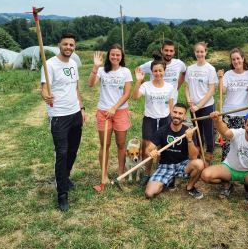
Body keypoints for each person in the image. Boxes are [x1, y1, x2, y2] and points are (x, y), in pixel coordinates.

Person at [41, 33, 85, 212]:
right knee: (62, 152)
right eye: (65, 44)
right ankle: (62, 194)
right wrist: (46, 96)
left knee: (73, 150)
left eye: (72, 45)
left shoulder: (74, 63)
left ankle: (64, 178)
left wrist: (82, 109)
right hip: (59, 116)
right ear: (59, 44)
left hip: (75, 113)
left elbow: (76, 88)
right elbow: (43, 89)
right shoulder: (49, 64)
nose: (68, 47)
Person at [201, 111, 248, 209]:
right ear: (244, 124)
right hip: (230, 168)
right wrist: (217, 121)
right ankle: (228, 182)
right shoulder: (238, 133)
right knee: (205, 175)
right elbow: (225, 131)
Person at [88, 44, 132, 183]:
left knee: (121, 144)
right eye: (112, 54)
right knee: (104, 145)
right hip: (103, 112)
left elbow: (127, 94)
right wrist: (95, 67)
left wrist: (114, 108)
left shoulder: (125, 71)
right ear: (109, 56)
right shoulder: (101, 70)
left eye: (118, 55)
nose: (115, 57)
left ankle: (120, 173)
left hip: (120, 111)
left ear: (121, 57)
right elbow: (90, 84)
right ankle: (104, 175)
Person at [145, 103, 205, 199]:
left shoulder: (188, 131)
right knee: (149, 193)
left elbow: (193, 157)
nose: (177, 115)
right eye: (175, 112)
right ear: (171, 113)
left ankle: (190, 187)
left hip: (183, 164)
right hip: (165, 165)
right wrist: (150, 152)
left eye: (180, 113)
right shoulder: (162, 130)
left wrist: (189, 139)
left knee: (199, 164)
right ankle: (168, 181)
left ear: (184, 117)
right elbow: (148, 149)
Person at [133, 58, 175, 185]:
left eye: (160, 70)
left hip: (165, 119)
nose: (158, 73)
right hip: (149, 120)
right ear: (152, 72)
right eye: (155, 71)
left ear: (164, 71)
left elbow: (171, 106)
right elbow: (135, 97)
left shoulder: (169, 87)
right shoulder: (146, 85)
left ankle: (160, 173)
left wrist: (173, 120)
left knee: (163, 148)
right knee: (147, 148)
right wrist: (139, 81)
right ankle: (147, 174)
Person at [218, 48, 248, 197]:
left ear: (243, 58)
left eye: (238, 58)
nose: (236, 61)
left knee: (245, 147)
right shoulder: (228, 74)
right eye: (233, 59)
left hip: (244, 115)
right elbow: (222, 91)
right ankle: (227, 183)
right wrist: (220, 78)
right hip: (228, 114)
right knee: (227, 146)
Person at [185, 42, 218, 163]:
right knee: (197, 130)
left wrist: (199, 105)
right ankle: (199, 154)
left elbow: (211, 90)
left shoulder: (210, 69)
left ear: (206, 52)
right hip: (193, 107)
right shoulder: (190, 68)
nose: (199, 54)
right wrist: (189, 100)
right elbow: (187, 87)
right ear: (194, 53)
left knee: (208, 131)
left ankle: (209, 155)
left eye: (202, 51)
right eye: (197, 51)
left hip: (207, 106)